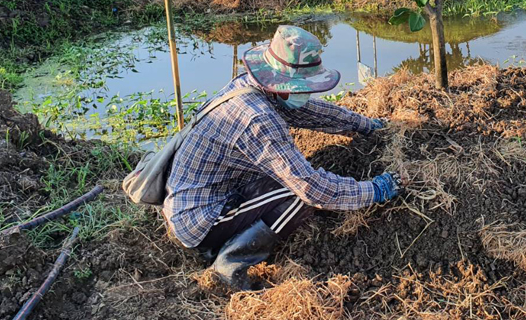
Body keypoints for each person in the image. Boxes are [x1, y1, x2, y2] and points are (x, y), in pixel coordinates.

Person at [162, 25, 401, 290]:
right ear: (282, 85)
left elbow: (313, 113)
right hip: (201, 218)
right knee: (298, 195)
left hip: (213, 192)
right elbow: (313, 189)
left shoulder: (255, 88)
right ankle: (228, 264)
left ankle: (234, 237)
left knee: (288, 180)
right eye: (304, 86)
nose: (307, 93)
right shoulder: (258, 118)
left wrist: (365, 125)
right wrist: (374, 190)